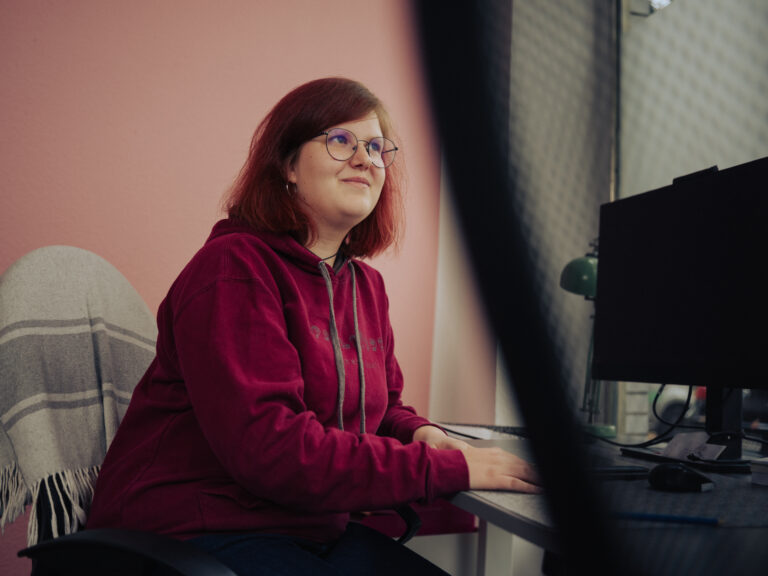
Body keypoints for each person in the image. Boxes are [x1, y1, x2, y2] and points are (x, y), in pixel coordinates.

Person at [86, 77, 542, 575]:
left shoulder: (364, 286)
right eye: (340, 140)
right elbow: (274, 452)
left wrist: (422, 434)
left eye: (375, 147)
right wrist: (454, 468)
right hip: (191, 533)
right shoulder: (234, 269)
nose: (366, 159)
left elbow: (383, 408)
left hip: (306, 530)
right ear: (287, 165)